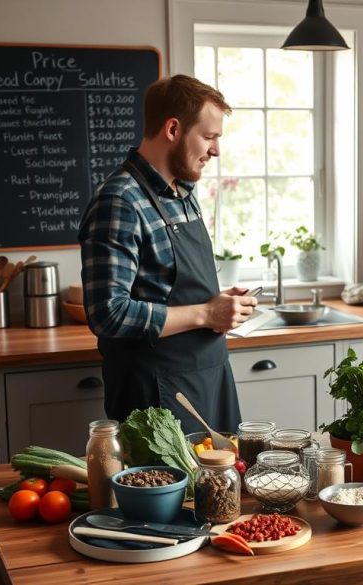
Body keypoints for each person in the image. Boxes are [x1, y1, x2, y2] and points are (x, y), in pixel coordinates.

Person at [79, 75, 256, 434]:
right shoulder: (120, 201)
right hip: (154, 392)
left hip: (211, 375)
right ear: (173, 128)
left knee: (223, 484)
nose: (216, 150)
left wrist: (219, 306)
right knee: (175, 491)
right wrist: (208, 312)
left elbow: (174, 288)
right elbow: (107, 314)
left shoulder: (183, 192)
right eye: (209, 137)